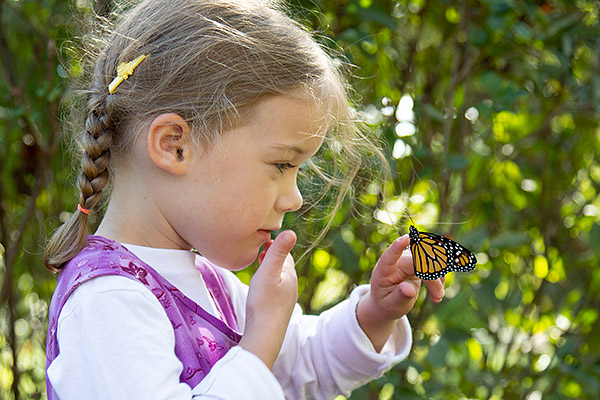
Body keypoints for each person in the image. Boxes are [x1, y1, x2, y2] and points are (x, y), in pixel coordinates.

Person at [43, 0, 445, 398]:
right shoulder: (107, 303)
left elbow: (301, 365)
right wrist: (260, 342)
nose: (295, 198)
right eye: (283, 165)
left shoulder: (211, 283)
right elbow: (265, 361)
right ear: (174, 146)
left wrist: (374, 314)